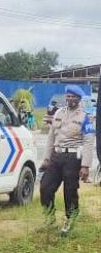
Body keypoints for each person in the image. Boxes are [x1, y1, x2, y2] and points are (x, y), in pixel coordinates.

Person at [40, 84, 95, 236]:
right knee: (45, 188)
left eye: (73, 97)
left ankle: (70, 220)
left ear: (78, 99)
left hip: (73, 158)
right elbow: (51, 137)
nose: (70, 99)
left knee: (70, 191)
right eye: (68, 96)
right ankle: (49, 220)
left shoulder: (85, 117)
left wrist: (85, 166)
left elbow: (89, 141)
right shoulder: (58, 113)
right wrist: (46, 159)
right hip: (56, 157)